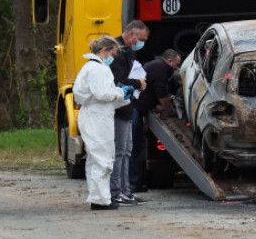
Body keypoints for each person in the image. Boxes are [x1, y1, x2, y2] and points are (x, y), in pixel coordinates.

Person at [73, 36, 132, 210]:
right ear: (104, 51)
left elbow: (101, 95)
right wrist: (120, 93)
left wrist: (120, 96)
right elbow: (102, 94)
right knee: (103, 158)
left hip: (96, 115)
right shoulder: (97, 69)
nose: (112, 57)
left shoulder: (91, 67)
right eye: (112, 54)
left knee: (96, 158)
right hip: (97, 118)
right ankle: (101, 200)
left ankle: (98, 197)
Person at [109, 20, 149, 205]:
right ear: (131, 34)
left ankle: (125, 190)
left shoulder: (127, 51)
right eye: (141, 39)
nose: (142, 43)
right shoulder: (117, 52)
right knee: (120, 151)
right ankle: (117, 191)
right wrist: (138, 83)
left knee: (126, 150)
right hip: (119, 107)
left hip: (126, 106)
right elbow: (120, 81)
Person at [131, 49, 182, 192]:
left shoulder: (159, 67)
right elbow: (162, 93)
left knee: (137, 145)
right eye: (177, 65)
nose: (177, 68)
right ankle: (132, 182)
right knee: (134, 145)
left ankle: (135, 181)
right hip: (136, 108)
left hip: (139, 108)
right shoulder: (160, 68)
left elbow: (171, 86)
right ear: (170, 61)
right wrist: (170, 110)